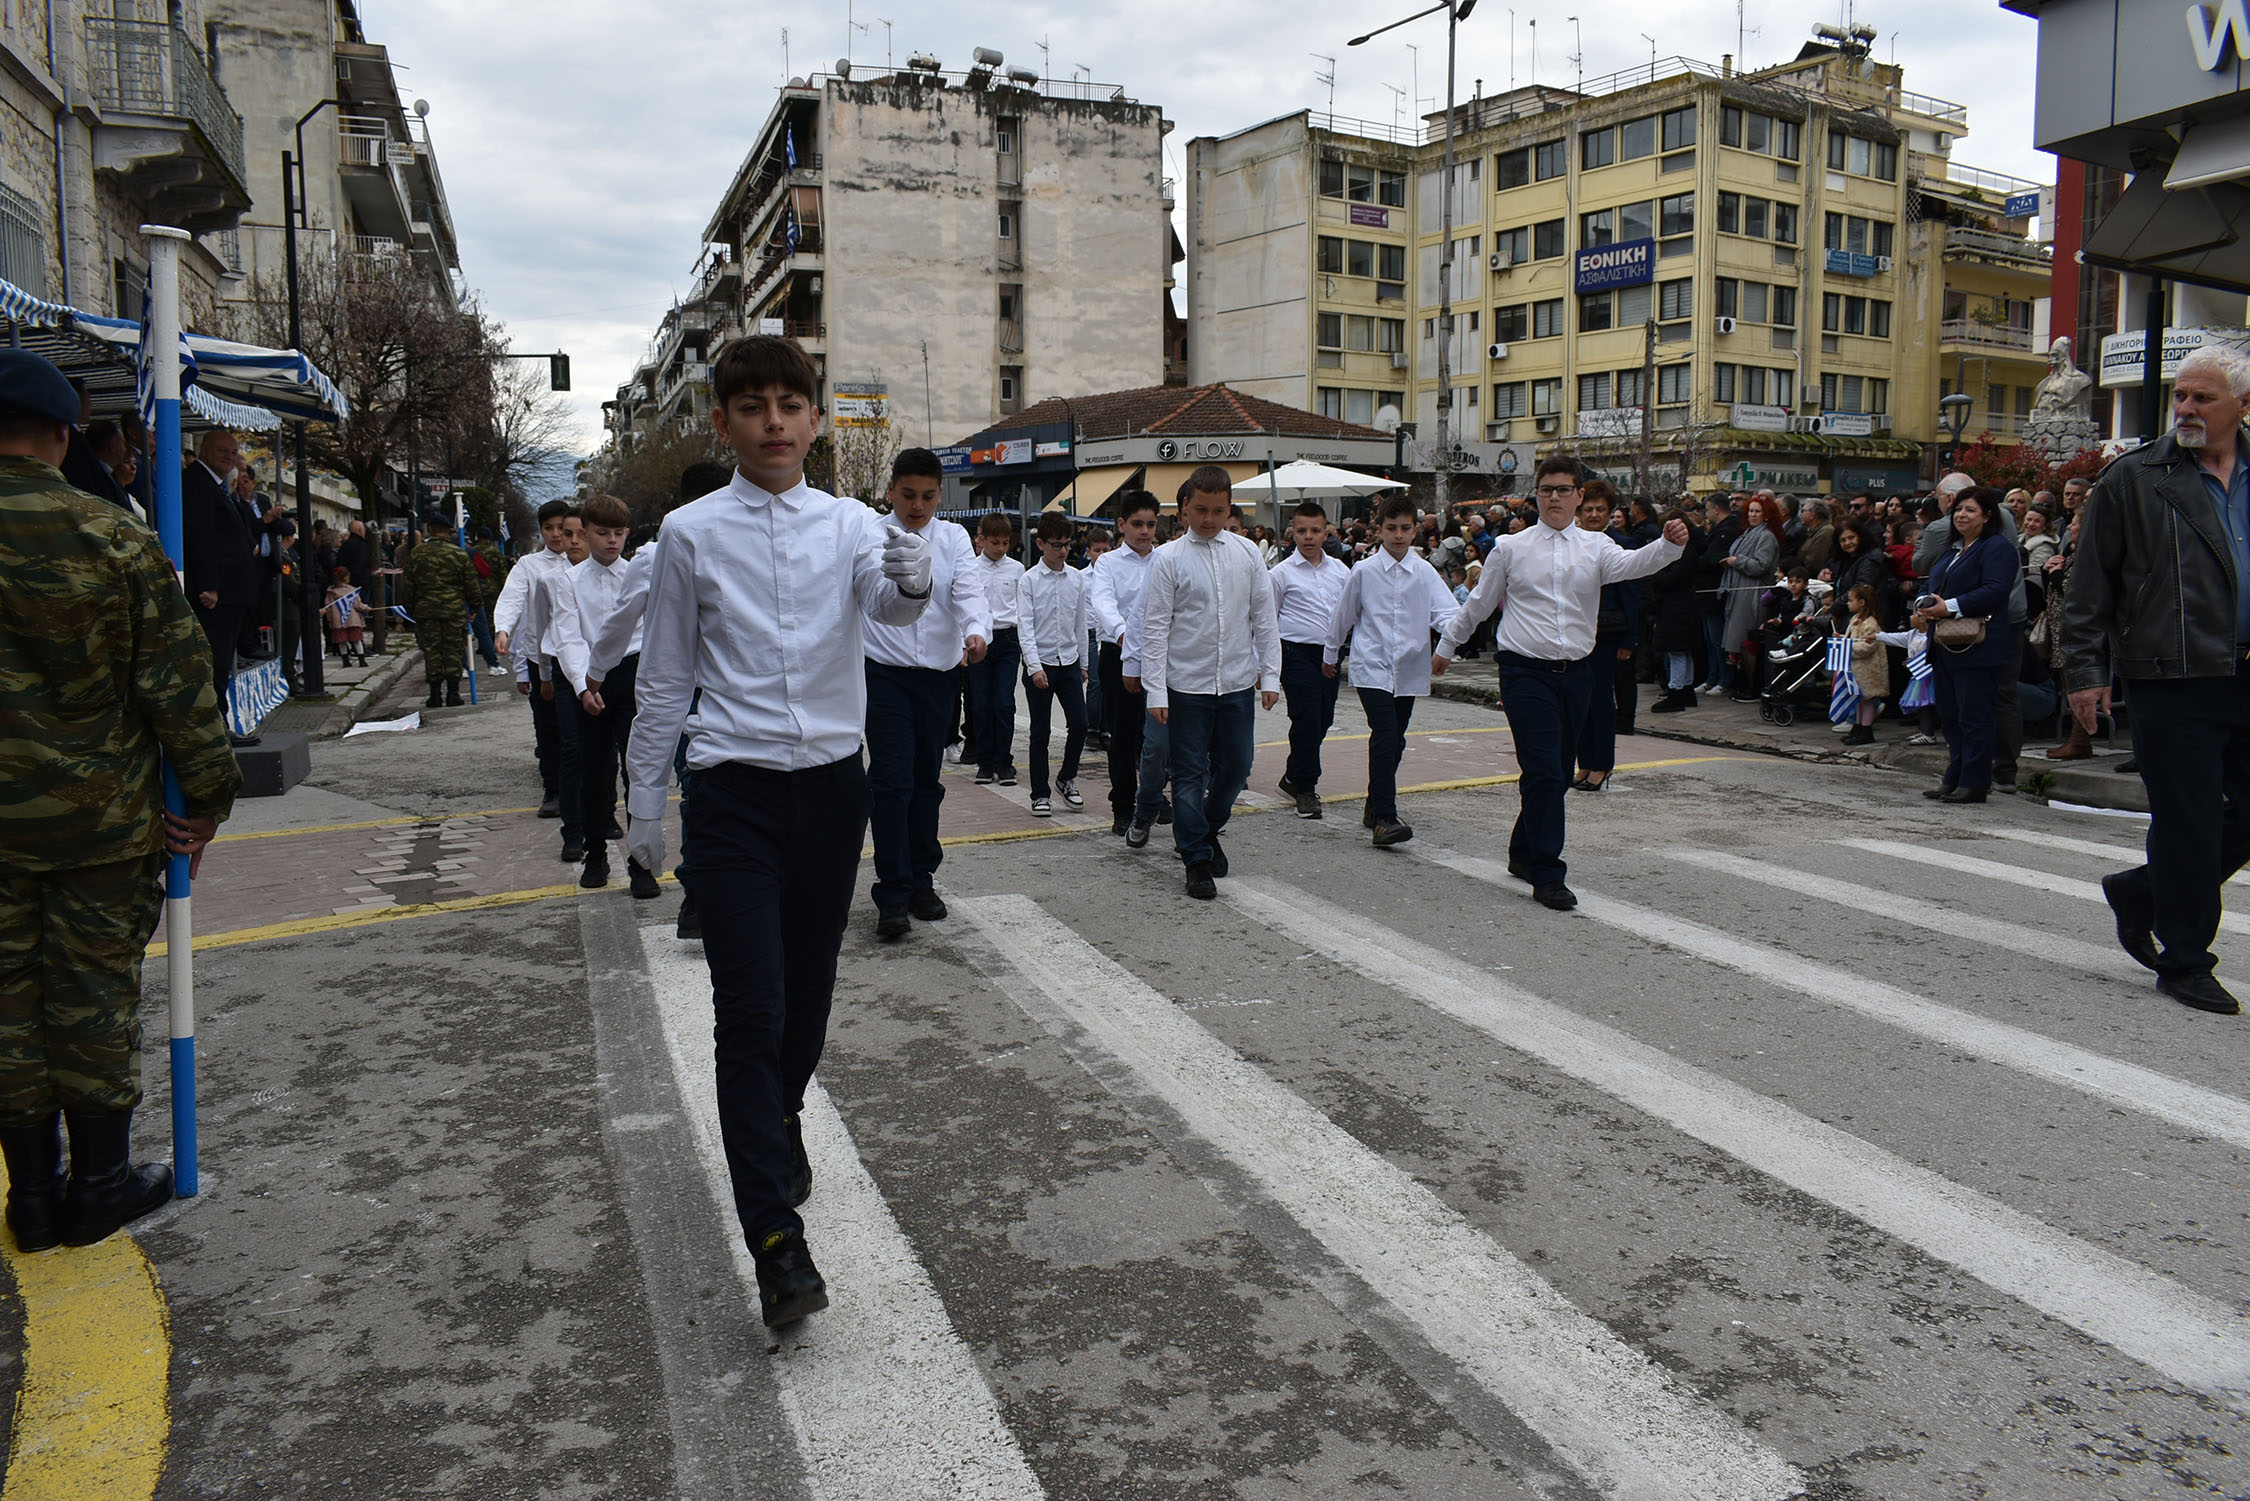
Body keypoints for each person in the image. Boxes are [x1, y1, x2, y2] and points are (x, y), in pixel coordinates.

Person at [624, 335, 933, 1326]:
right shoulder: (689, 534)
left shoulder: (847, 525)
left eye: (787, 404)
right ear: (722, 421)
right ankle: (773, 1240)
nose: (770, 422)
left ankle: (781, 1113)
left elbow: (887, 611)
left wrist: (913, 573)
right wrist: (643, 801)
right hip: (732, 793)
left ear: (814, 419)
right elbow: (667, 672)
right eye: (749, 406)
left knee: (806, 1003)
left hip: (832, 790)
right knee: (749, 1010)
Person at [0, 347, 240, 1251]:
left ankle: (29, 1193)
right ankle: (99, 1181)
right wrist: (209, 799)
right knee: (92, 1000)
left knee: (8, 1004)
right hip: (98, 821)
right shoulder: (112, 537)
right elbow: (178, 688)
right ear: (63, 437)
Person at [2062, 345, 2250, 1015]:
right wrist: (2085, 673)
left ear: (2243, 406)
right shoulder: (2134, 479)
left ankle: (2144, 890)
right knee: (2190, 821)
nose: (2188, 408)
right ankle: (2186, 959)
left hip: (2245, 673)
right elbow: (2088, 589)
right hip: (2171, 674)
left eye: (2204, 397)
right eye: (2182, 395)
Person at [1434, 455, 1687, 910]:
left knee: (1551, 773)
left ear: (1580, 496)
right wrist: (1447, 646)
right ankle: (1548, 872)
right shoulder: (1511, 548)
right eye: (1547, 489)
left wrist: (1669, 546)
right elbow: (1478, 603)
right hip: (1524, 671)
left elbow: (1634, 565)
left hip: (1577, 675)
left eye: (1564, 489)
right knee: (1548, 772)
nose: (1555, 497)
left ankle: (1522, 851)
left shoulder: (1596, 546)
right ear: (1537, 495)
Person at [861, 449, 988, 939]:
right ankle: (891, 892)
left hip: (939, 676)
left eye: (928, 496)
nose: (918, 505)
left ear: (940, 494)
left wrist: (977, 631)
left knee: (925, 783)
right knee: (891, 782)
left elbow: (969, 593)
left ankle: (922, 879)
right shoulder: (870, 535)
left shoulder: (953, 538)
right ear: (891, 490)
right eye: (908, 495)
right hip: (885, 675)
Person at [1140, 466, 1280, 900]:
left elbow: (1264, 617)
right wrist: (1156, 690)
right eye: (1200, 509)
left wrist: (1270, 673)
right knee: (1187, 774)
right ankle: (1196, 858)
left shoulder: (1247, 553)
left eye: (1218, 510)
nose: (1208, 518)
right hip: (1186, 685)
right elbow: (1156, 627)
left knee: (1237, 767)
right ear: (1184, 509)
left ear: (1229, 509)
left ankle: (1206, 824)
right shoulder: (1168, 559)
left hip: (1236, 681)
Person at [1324, 495, 1456, 846]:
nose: (1398, 535)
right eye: (1391, 528)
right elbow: (1344, 616)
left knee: (1396, 738)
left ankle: (1373, 803)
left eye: (1405, 528)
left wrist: (1448, 643)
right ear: (1379, 530)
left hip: (1410, 668)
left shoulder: (1425, 572)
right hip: (1372, 665)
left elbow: (1446, 613)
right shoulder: (1364, 571)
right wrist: (1330, 653)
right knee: (1384, 732)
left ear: (1416, 531)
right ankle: (1385, 816)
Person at [552, 493, 659, 897]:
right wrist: (583, 686)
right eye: (602, 533)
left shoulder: (640, 574)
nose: (611, 541)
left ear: (627, 534)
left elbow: (651, 631)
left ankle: (641, 864)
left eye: (618, 533)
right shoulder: (568, 581)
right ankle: (594, 853)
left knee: (639, 771)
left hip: (633, 674)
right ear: (585, 533)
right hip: (590, 681)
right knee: (594, 772)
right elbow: (568, 637)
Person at [1919, 472, 2028, 788]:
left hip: (1976, 644)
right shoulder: (1953, 550)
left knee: (1975, 715)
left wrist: (1950, 606)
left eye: (1970, 510)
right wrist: (1925, 604)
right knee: (1950, 714)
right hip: (1944, 642)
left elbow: (1995, 591)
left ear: (1987, 516)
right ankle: (1955, 774)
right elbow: (1934, 581)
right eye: (1959, 510)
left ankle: (1975, 781)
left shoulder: (1997, 548)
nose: (1962, 515)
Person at [493, 499, 581, 821]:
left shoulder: (583, 562)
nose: (557, 536)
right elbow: (512, 598)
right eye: (549, 529)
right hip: (540, 657)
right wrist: (503, 629)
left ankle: (584, 787)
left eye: (563, 528)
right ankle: (554, 790)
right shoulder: (529, 566)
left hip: (579, 659)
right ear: (541, 530)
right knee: (547, 726)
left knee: (579, 728)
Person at [1268, 500, 1348, 819]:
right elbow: (1267, 620)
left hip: (1330, 653)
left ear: (1326, 531)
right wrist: (1267, 666)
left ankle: (1292, 775)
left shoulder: (1341, 571)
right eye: (1302, 531)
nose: (1309, 537)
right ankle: (1306, 788)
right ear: (1292, 533)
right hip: (1295, 652)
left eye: (1315, 530)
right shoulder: (1281, 574)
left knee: (1323, 718)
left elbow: (1349, 610)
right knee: (1306, 716)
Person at [1092, 491, 1162, 838]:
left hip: (1160, 656)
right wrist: (1123, 634)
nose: (1145, 531)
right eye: (1137, 524)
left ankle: (1153, 796)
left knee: (1156, 732)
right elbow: (1103, 603)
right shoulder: (1107, 563)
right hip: (1116, 655)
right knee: (1122, 736)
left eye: (1151, 524)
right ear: (1121, 525)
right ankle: (1122, 806)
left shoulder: (1165, 560)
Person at [180, 428, 256, 744]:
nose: (228, 457)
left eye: (233, 451)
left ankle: (219, 725)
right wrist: (209, 584)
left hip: (232, 589)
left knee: (223, 660)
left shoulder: (218, 485)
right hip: (216, 592)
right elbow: (200, 537)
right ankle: (215, 729)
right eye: (222, 450)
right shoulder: (199, 483)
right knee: (216, 660)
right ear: (205, 449)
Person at [1018, 511, 1089, 818]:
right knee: (1040, 733)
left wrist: (1084, 663)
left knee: (1081, 725)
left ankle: (1066, 778)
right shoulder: (1028, 580)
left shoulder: (1076, 578)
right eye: (1056, 544)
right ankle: (1039, 793)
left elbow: (1080, 623)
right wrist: (1034, 667)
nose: (1062, 551)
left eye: (1067, 544)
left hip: (1069, 662)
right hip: (1042, 664)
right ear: (1040, 544)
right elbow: (1025, 625)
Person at [1572, 483, 1641, 789]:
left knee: (1600, 698)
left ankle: (1602, 765)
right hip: (1576, 631)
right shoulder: (1571, 543)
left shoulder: (1620, 544)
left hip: (1609, 632)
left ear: (1611, 512)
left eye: (1601, 509)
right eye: (1588, 509)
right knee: (1578, 700)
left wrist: (1629, 640)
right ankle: (1584, 762)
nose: (1594, 515)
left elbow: (1632, 595)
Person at [965, 514, 1022, 787]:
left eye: (1005, 543)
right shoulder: (971, 569)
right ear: (982, 539)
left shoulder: (1017, 569)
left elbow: (1022, 607)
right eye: (995, 542)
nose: (1000, 548)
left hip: (1008, 640)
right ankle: (984, 761)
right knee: (980, 703)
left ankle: (1004, 761)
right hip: (980, 640)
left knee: (1003, 702)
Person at [399, 520, 476, 708]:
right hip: (453, 610)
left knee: (432, 651)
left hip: (426, 611)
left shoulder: (417, 553)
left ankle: (434, 694)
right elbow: (470, 583)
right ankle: (453, 693)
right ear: (449, 531)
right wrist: (474, 607)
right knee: (453, 651)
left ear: (431, 530)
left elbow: (408, 585)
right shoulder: (458, 553)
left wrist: (411, 609)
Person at [1720, 495, 1782, 701]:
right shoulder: (1747, 533)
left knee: (1748, 642)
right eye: (1750, 511)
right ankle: (1743, 684)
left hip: (1752, 594)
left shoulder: (1766, 537)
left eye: (1757, 511)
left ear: (1766, 515)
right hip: (1739, 592)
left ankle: (1752, 687)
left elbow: (1761, 565)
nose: (1753, 515)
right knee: (1738, 643)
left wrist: (1737, 561)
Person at [1843, 583, 1889, 745]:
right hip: (1857, 668)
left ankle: (1866, 729)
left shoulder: (1871, 623)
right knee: (1860, 700)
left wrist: (1847, 647)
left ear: (1862, 602)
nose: (1848, 603)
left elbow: (1868, 647)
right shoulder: (1855, 620)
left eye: (1851, 600)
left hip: (1868, 669)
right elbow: (1851, 637)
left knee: (1868, 700)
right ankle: (1859, 726)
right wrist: (1842, 638)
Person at [469, 525, 508, 670]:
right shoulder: (494, 552)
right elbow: (501, 571)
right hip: (492, 589)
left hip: (476, 589)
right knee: (491, 618)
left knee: (479, 618)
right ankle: (490, 644)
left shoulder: (471, 551)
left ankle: (482, 645)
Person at [323, 567, 366, 664]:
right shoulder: (352, 590)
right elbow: (358, 605)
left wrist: (329, 620)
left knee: (341, 641)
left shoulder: (330, 593)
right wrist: (366, 608)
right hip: (352, 620)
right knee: (356, 640)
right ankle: (361, 659)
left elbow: (328, 608)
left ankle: (345, 661)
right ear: (347, 578)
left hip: (337, 621)